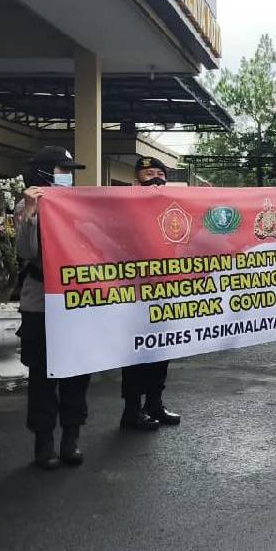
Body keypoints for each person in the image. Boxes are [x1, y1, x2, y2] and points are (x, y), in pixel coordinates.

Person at [15, 147, 91, 469]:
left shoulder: (78, 204)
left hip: (77, 300)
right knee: (43, 376)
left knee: (77, 373)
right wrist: (31, 213)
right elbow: (26, 250)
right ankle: (44, 443)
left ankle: (71, 438)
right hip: (42, 301)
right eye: (62, 169)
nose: (68, 175)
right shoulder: (26, 206)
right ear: (45, 171)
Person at [119, 156, 181, 431]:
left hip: (165, 290)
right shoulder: (124, 206)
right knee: (135, 353)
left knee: (161, 349)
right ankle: (131, 409)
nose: (155, 178)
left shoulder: (174, 207)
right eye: (148, 174)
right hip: (133, 293)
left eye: (159, 173)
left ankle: (154, 403)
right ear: (136, 179)